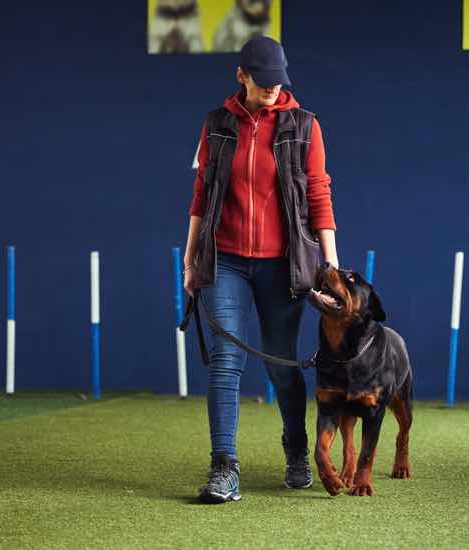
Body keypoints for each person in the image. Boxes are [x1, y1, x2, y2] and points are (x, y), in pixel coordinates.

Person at [182, 35, 339, 504]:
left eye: (280, 81)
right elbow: (201, 195)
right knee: (226, 362)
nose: (273, 89)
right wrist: (191, 259)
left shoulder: (304, 126)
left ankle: (296, 450)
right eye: (264, 80)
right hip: (224, 259)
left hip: (283, 264)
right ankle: (224, 468)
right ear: (242, 75)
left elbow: (319, 195)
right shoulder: (216, 125)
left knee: (280, 365)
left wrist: (330, 263)